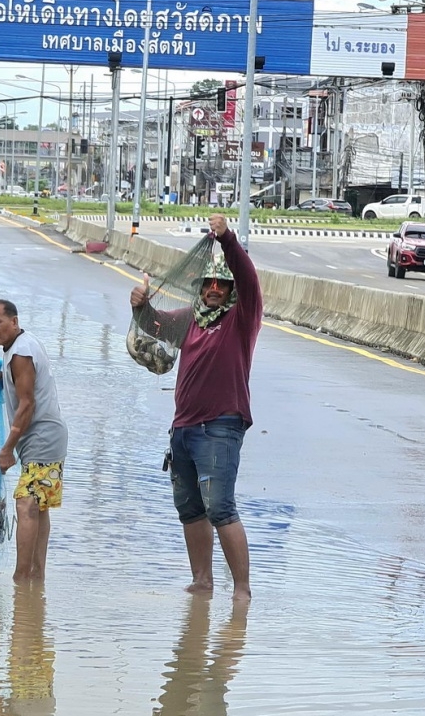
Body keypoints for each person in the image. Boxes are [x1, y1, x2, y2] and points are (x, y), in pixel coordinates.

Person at [129, 213, 262, 601]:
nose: (216, 289)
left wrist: (228, 241)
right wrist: (138, 304)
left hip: (220, 426)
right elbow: (153, 325)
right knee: (190, 509)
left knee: (220, 508)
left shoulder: (241, 318)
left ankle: (242, 590)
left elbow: (249, 279)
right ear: (200, 287)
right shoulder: (190, 320)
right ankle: (202, 581)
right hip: (183, 429)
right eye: (210, 284)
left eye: (223, 284)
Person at [0, 298, 68, 583]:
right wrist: (2, 379)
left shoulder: (20, 352)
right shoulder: (17, 348)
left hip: (42, 436)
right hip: (44, 437)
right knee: (38, 506)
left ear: (14, 322)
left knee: (26, 504)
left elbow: (27, 404)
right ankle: (35, 577)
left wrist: (7, 448)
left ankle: (21, 579)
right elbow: (23, 388)